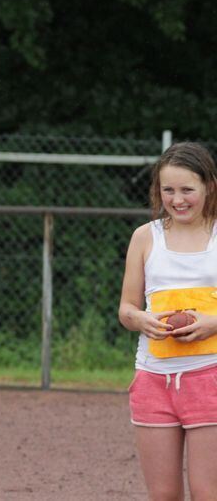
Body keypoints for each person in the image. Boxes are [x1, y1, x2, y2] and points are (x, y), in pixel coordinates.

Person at [118, 141, 217, 500]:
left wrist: (213, 323)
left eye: (188, 189)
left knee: (208, 493)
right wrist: (141, 319)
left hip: (210, 377)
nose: (178, 200)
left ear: (209, 186)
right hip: (153, 381)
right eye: (168, 190)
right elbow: (126, 308)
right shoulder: (145, 237)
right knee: (163, 495)